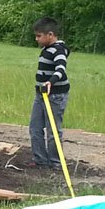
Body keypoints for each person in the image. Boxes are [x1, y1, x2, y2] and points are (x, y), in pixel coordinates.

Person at [29, 17, 70, 168]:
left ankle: (55, 162)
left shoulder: (59, 50)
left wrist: (50, 82)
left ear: (50, 34)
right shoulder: (46, 49)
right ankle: (40, 160)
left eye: (39, 36)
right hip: (40, 94)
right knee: (35, 127)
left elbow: (61, 69)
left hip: (55, 95)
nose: (37, 39)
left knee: (53, 130)